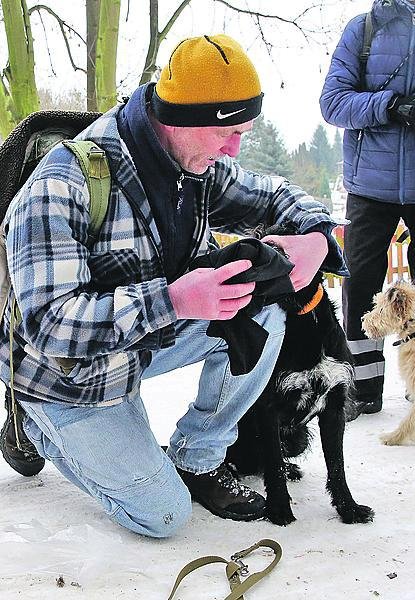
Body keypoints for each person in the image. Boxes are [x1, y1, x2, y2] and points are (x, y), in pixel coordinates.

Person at [0, 34, 347, 538]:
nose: (235, 148)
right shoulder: (62, 183)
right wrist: (175, 298)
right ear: (177, 118)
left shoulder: (193, 163)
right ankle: (32, 422)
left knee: (265, 307)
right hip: (70, 376)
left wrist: (316, 236)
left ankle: (198, 457)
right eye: (226, 132)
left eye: (243, 131)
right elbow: (51, 326)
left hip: (141, 343)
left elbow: (275, 195)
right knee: (164, 515)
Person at [320, 0, 415, 418]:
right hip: (369, 185)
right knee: (361, 286)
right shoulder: (364, 29)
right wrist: (389, 105)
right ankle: (361, 387)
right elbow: (333, 103)